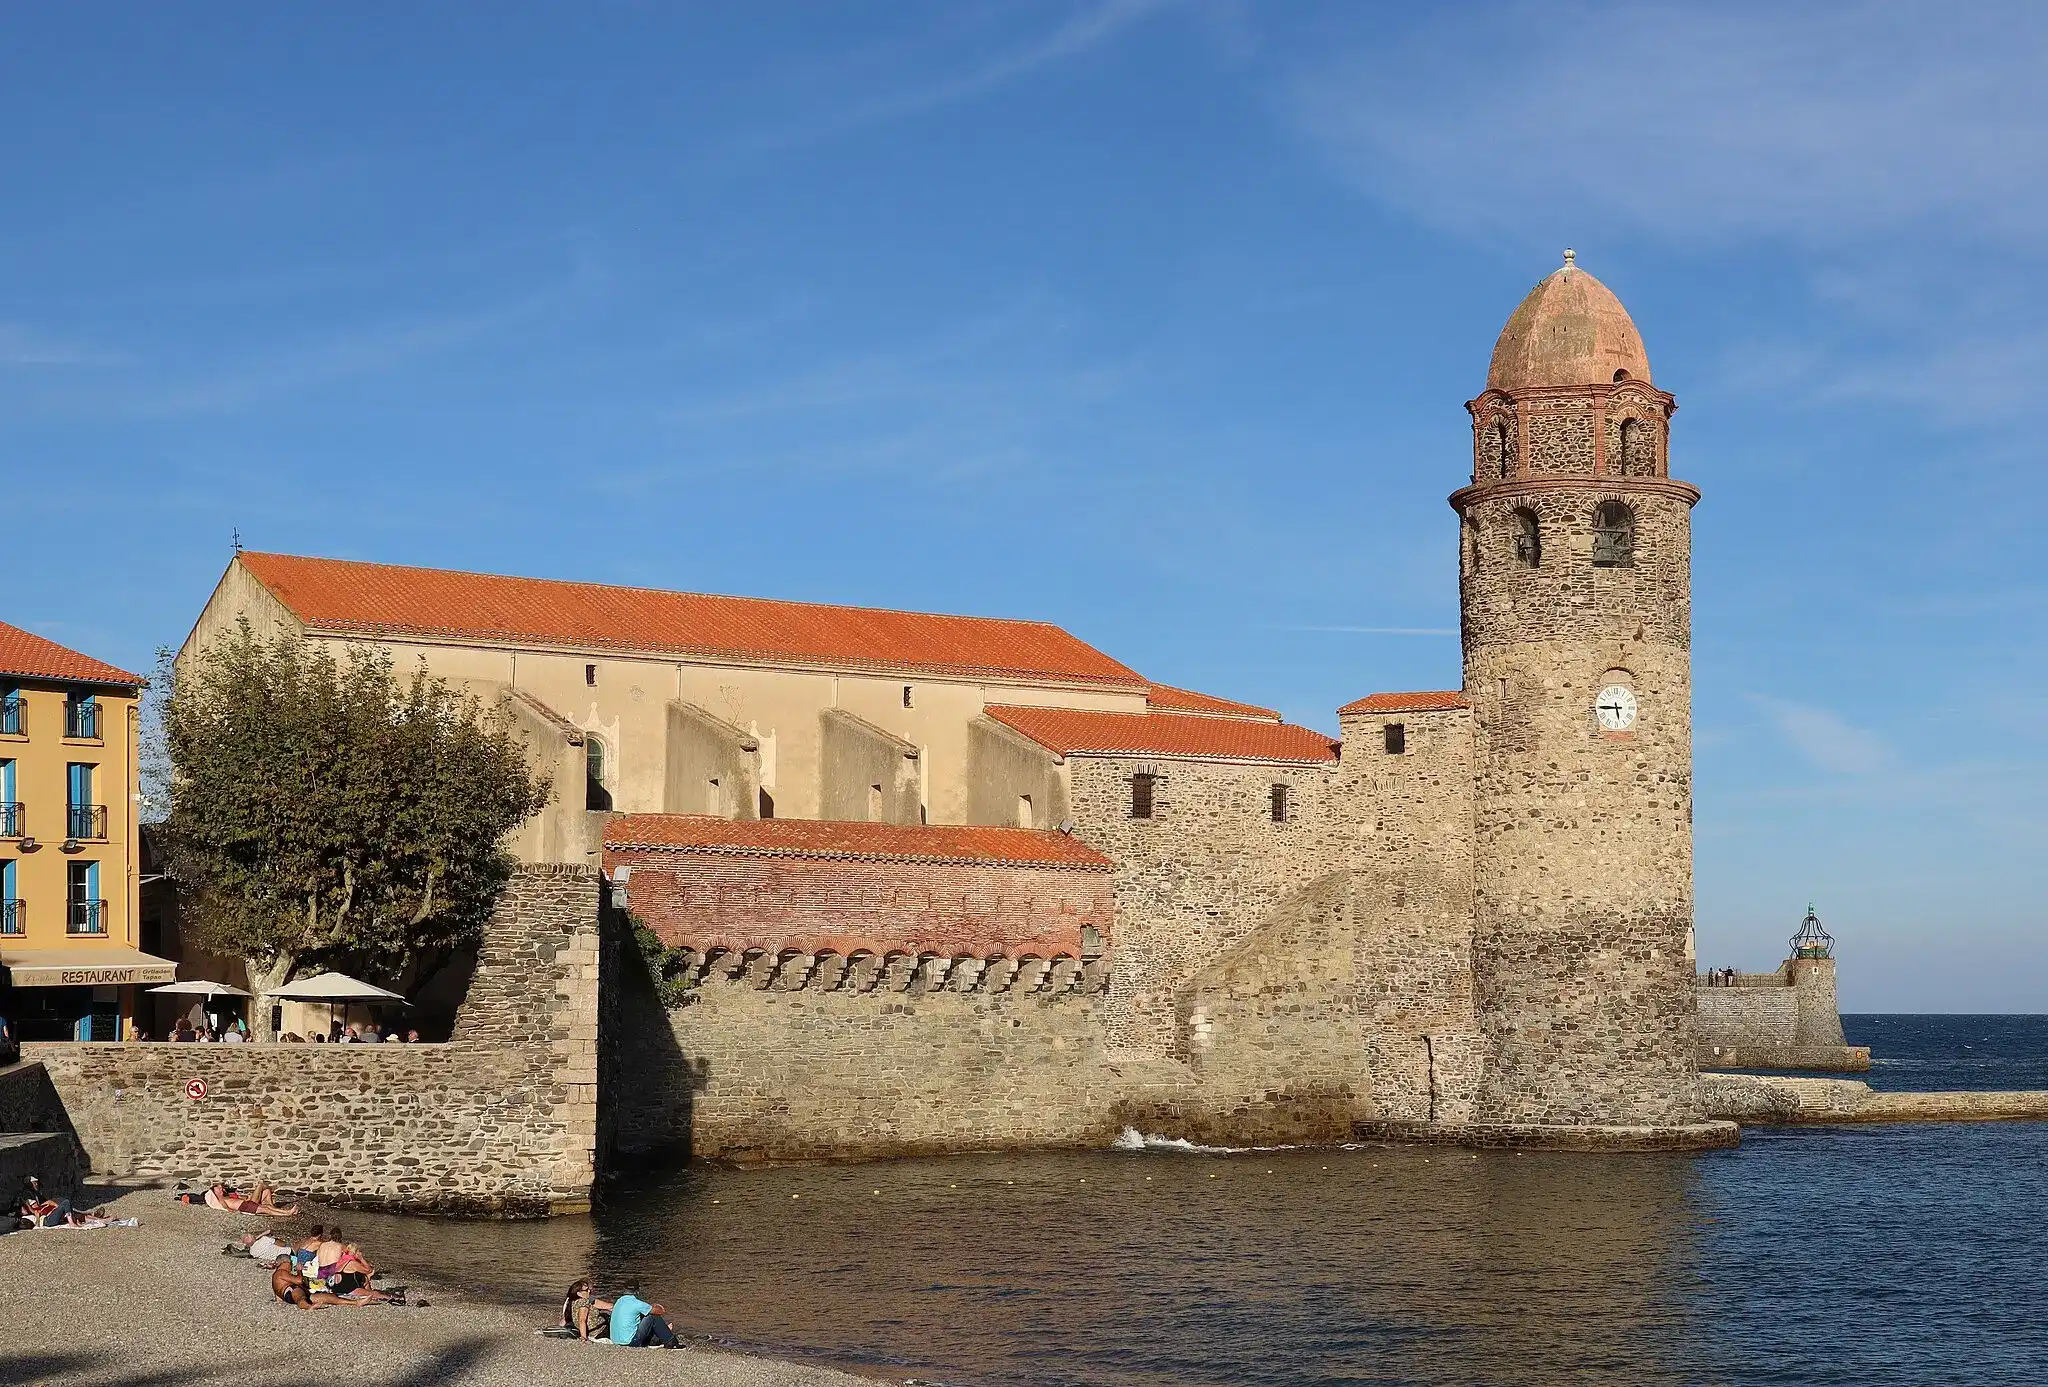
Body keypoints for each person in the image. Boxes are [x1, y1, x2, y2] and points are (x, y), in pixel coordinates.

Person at [607, 1283, 679, 1348]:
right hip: (630, 1343)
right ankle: (670, 1341)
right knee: (652, 1316)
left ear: (624, 1290)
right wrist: (654, 1307)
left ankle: (658, 1337)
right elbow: (660, 1311)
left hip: (615, 1341)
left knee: (640, 1316)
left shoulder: (619, 1301)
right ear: (638, 1291)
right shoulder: (637, 1303)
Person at [202, 1182, 299, 1216]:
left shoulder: (226, 1196)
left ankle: (287, 1212)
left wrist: (247, 1196)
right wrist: (229, 1210)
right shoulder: (221, 1198)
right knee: (265, 1207)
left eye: (220, 1187)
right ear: (215, 1192)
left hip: (247, 1203)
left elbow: (240, 1198)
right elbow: (224, 1206)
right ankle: (287, 1213)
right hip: (245, 1206)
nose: (220, 1188)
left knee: (266, 1201)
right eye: (218, 1188)